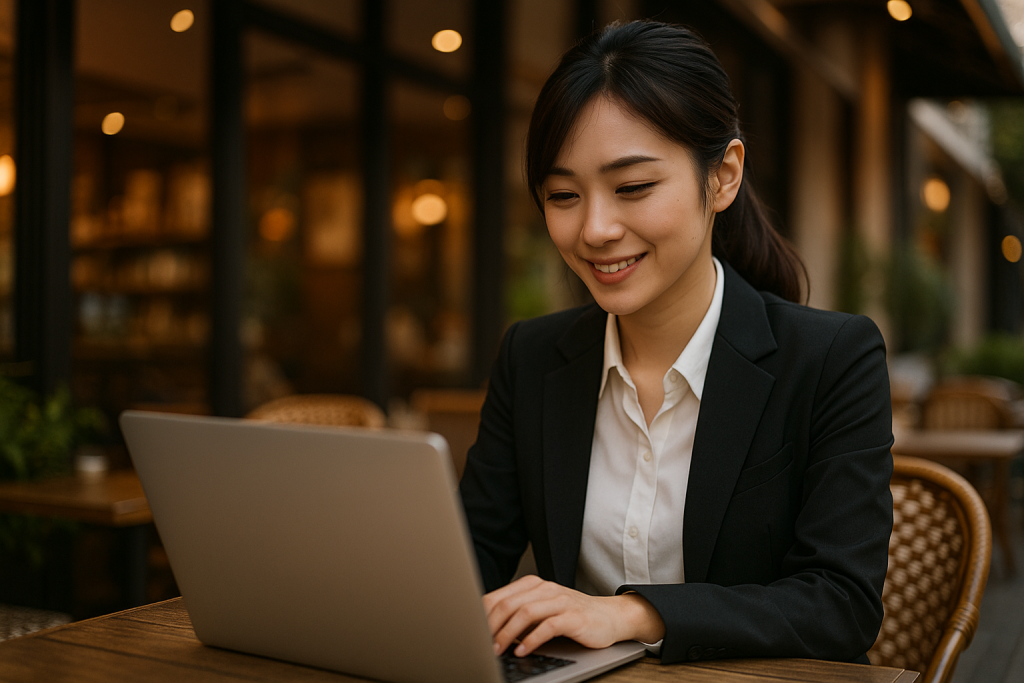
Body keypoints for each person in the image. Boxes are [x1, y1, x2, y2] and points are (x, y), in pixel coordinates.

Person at [458, 20, 893, 666]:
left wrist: (630, 612)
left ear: (723, 176)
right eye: (563, 195)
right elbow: (465, 567)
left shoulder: (833, 358)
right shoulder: (531, 357)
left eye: (632, 187)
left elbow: (839, 602)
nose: (596, 228)